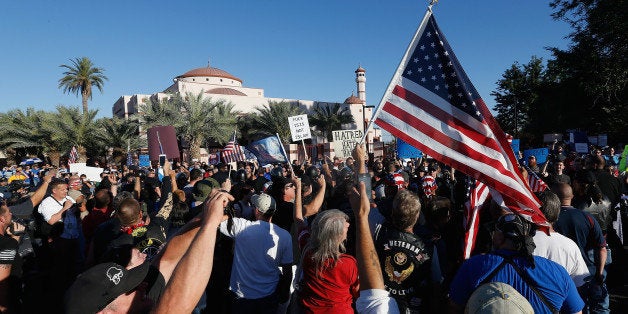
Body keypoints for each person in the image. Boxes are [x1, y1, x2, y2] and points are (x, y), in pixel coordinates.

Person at [65, 189, 235, 313]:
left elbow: (166, 259)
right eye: (130, 287)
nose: (142, 286)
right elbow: (176, 306)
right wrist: (210, 225)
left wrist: (204, 215)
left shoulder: (141, 298)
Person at [449, 213, 584, 313]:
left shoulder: (473, 266)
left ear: (499, 237)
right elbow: (576, 312)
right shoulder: (557, 271)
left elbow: (454, 308)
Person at [219, 193, 293, 314]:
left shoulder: (240, 226)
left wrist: (224, 203)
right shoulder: (284, 236)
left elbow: (215, 220)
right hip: (269, 296)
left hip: (241, 296)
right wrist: (284, 296)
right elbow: (287, 271)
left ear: (257, 210)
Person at [553, 182, 608, 313]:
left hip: (559, 273)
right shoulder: (587, 217)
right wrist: (599, 273)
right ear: (572, 196)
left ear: (554, 197)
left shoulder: (550, 220)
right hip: (584, 272)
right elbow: (602, 248)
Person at [298, 209, 359, 313]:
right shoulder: (348, 263)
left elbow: (298, 222)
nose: (348, 224)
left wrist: (298, 192)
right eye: (345, 225)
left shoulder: (307, 251)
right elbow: (357, 292)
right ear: (337, 234)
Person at [532, 190, 590, 287]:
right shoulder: (570, 245)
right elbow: (579, 283)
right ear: (557, 214)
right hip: (561, 300)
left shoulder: (518, 244)